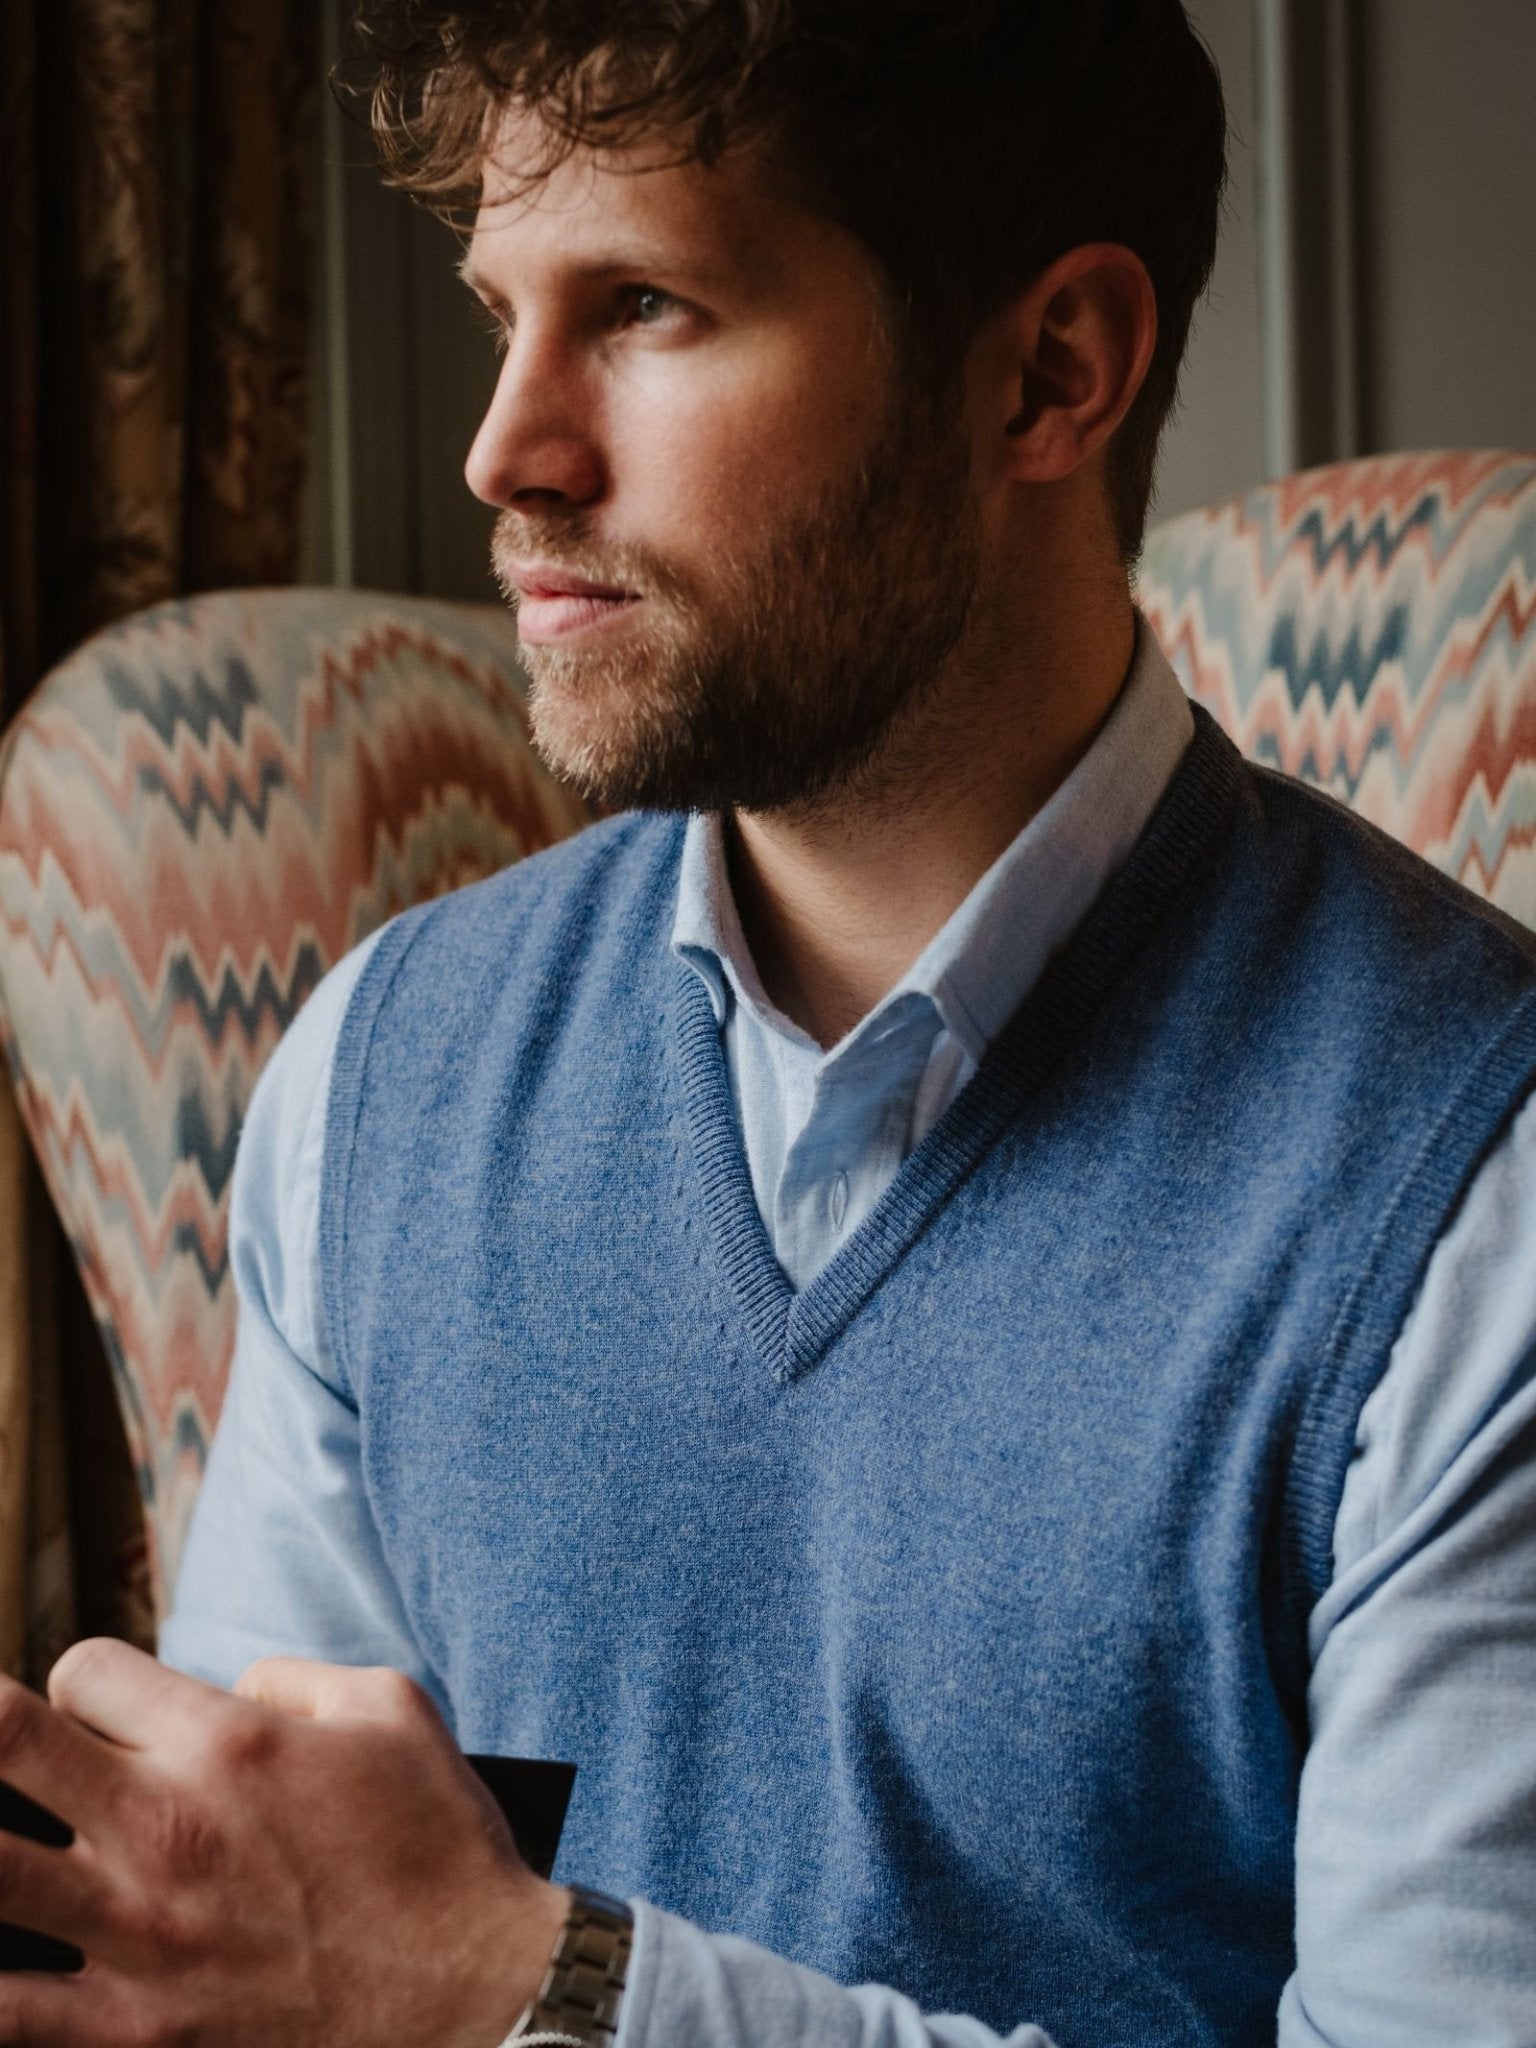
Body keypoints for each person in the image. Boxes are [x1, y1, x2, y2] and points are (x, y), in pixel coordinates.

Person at [2, 2, 1535, 2043]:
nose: (506, 451)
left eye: (643, 303)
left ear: (1051, 372)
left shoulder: (1469, 1180)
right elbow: (269, 1962)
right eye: (497, 311)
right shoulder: (379, 1077)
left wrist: (542, 1991)